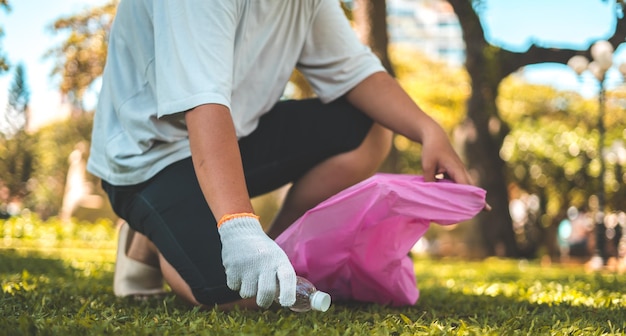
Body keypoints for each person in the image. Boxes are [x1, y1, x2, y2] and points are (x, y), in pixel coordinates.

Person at [87, 0, 474, 311]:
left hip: (232, 139)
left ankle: (276, 254)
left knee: (369, 128)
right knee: (239, 297)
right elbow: (203, 104)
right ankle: (147, 240)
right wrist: (237, 226)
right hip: (148, 160)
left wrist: (428, 131)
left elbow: (355, 72)